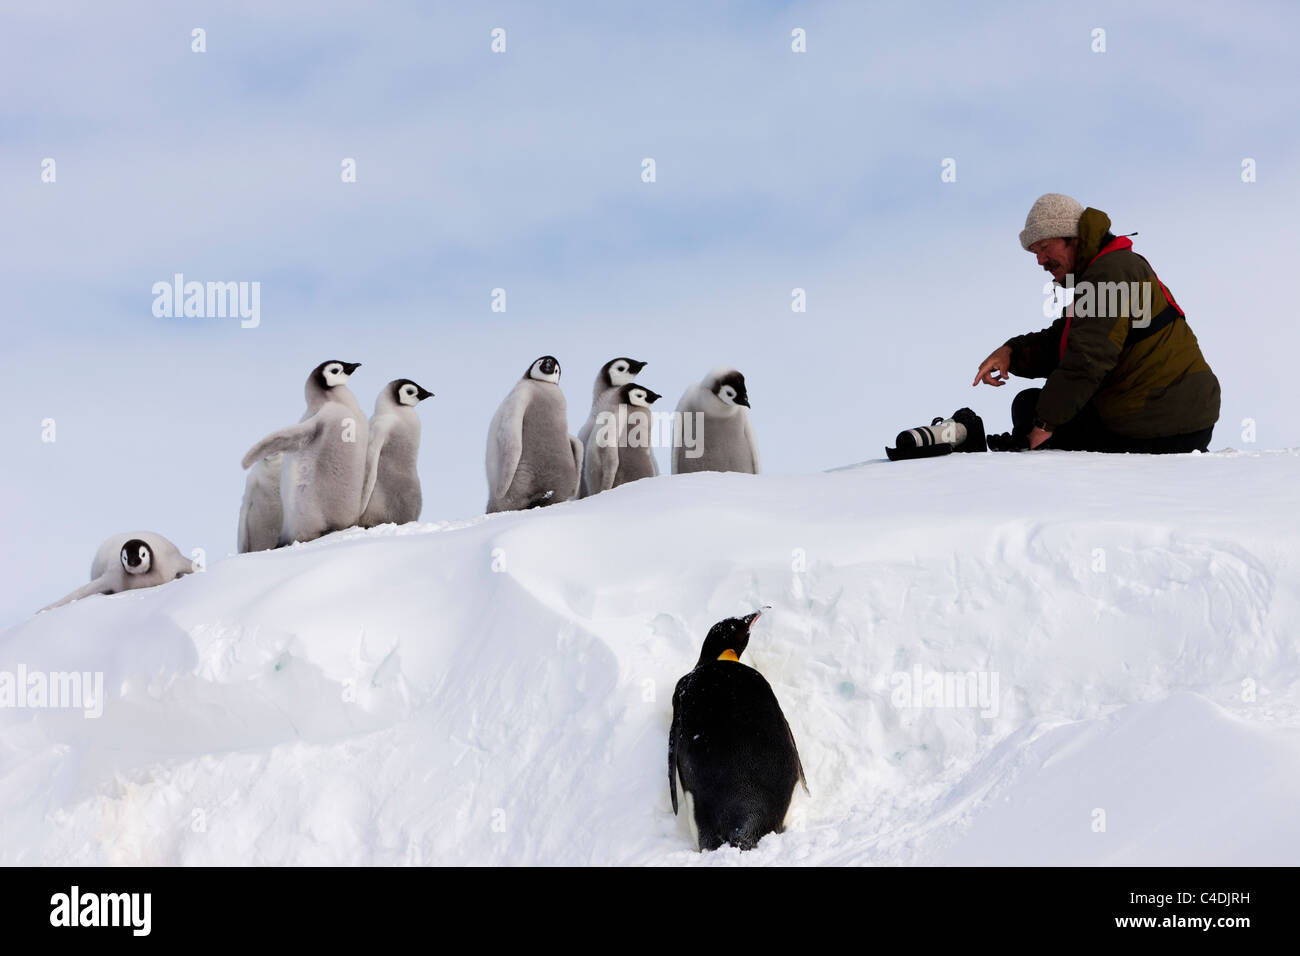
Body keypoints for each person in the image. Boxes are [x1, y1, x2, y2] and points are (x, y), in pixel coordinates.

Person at [974, 193, 1220, 453]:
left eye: (1045, 247)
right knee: (1035, 405)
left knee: (1030, 408)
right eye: (1035, 252)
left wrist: (1043, 427)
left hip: (1161, 422)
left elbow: (1086, 359)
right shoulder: (1109, 268)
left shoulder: (1109, 273)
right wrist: (1011, 352)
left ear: (1072, 238)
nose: (1040, 261)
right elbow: (1064, 343)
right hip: (1178, 416)